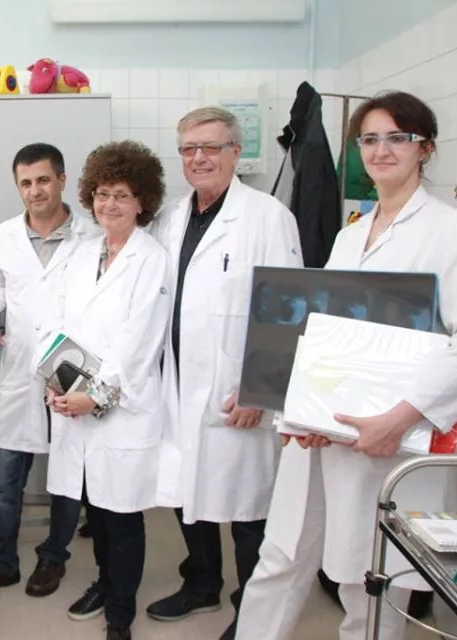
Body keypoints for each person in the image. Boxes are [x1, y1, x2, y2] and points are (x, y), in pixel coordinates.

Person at [235, 91, 457, 640]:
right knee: (279, 559)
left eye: (397, 138)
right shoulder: (351, 234)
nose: (381, 150)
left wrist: (400, 420)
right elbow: (328, 336)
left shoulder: (452, 231)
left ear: (425, 148)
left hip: (385, 438)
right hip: (322, 434)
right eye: (370, 139)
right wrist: (301, 412)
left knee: (369, 580)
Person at [146, 106, 303, 639]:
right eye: (189, 149)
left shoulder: (267, 217)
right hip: (179, 385)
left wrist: (262, 387)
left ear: (236, 152)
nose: (199, 158)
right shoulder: (172, 217)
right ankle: (201, 584)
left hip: (237, 391)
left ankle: (252, 610)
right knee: (186, 493)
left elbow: (288, 308)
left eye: (211, 147)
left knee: (248, 510)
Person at [39, 140, 170, 640]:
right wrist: (57, 382)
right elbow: (57, 322)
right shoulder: (82, 252)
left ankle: (120, 611)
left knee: (123, 516)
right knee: (95, 506)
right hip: (73, 397)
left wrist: (95, 396)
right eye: (101, 193)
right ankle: (104, 582)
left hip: (121, 404)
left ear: (142, 201)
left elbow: (140, 341)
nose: (109, 204)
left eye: (121, 195)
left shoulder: (151, 259)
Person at [0, 143, 95, 600]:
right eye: (25, 183)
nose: (35, 190)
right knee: (3, 478)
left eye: (43, 180)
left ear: (62, 179)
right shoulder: (6, 233)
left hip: (69, 364)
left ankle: (53, 556)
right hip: (21, 366)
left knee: (66, 474)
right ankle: (1, 562)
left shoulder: (92, 234)